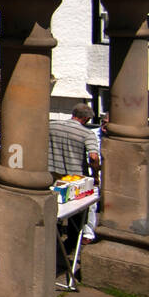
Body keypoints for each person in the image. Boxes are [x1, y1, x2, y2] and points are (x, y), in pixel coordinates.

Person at [49, 103, 101, 242]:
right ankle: (78, 237)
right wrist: (95, 175)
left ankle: (54, 233)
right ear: (86, 119)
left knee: (55, 205)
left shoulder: (52, 126)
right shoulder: (87, 133)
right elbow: (93, 157)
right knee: (80, 209)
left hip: (53, 173)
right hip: (75, 177)